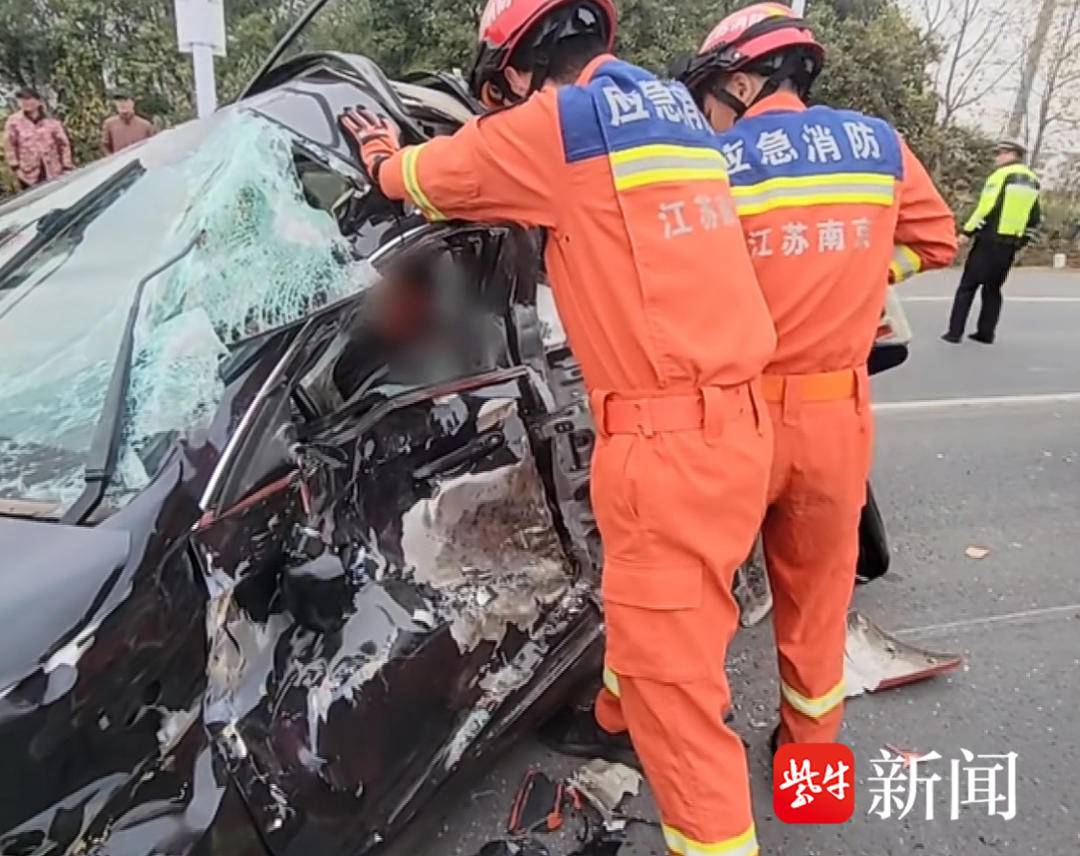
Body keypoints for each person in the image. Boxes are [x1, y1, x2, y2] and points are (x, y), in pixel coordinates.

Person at [341, 1, 779, 852]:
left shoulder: (557, 128)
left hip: (664, 444)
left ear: (515, 66)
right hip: (733, 426)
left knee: (676, 694)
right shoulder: (671, 111)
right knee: (669, 613)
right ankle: (614, 717)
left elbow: (425, 179)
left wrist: (383, 156)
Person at [677, 3, 956, 752]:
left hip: (736, 418)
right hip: (836, 418)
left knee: (697, 595)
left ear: (741, 82)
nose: (707, 115)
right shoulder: (878, 145)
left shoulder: (713, 163)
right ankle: (810, 769)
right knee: (817, 604)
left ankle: (688, 748)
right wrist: (866, 279)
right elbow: (936, 240)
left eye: (709, 96)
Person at [943, 138, 1040, 344]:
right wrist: (1022, 240)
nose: (996, 157)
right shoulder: (1033, 180)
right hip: (1010, 243)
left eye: (1000, 153)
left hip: (989, 240)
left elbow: (986, 208)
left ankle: (954, 332)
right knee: (993, 289)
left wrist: (967, 232)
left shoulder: (1000, 176)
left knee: (967, 287)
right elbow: (1034, 216)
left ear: (1012, 154)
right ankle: (986, 333)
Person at [4, 87, 74, 190]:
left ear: (38, 101)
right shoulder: (14, 122)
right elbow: (10, 146)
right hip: (28, 175)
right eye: (22, 100)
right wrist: (17, 169)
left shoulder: (50, 121)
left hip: (54, 171)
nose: (25, 103)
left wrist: (66, 165)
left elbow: (64, 144)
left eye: (28, 99)